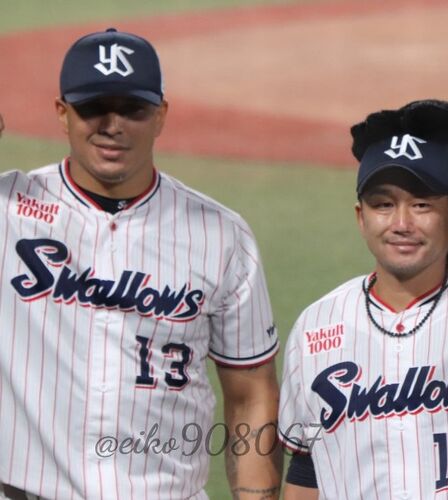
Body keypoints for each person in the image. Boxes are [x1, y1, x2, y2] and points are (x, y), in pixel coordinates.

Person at [0, 29, 282, 499]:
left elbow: (251, 395)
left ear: (161, 115)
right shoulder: (8, 210)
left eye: (133, 109)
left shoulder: (221, 235)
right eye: (93, 107)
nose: (112, 125)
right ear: (62, 113)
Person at [278, 101, 448, 499]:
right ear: (361, 217)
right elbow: (307, 466)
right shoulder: (317, 328)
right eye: (383, 204)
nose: (401, 224)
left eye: (421, 205)